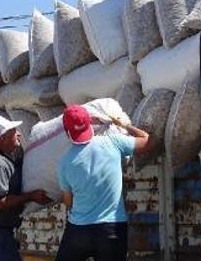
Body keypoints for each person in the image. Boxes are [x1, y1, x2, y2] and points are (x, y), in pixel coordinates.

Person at [54, 105, 156, 261]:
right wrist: (125, 126)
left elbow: (69, 202)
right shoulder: (113, 142)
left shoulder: (64, 163)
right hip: (112, 230)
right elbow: (148, 142)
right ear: (90, 124)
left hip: (79, 231)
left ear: (68, 132)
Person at [0, 115, 50, 261]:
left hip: (0, 231)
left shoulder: (8, 159)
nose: (19, 134)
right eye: (14, 131)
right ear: (3, 138)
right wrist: (31, 196)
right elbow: (0, 203)